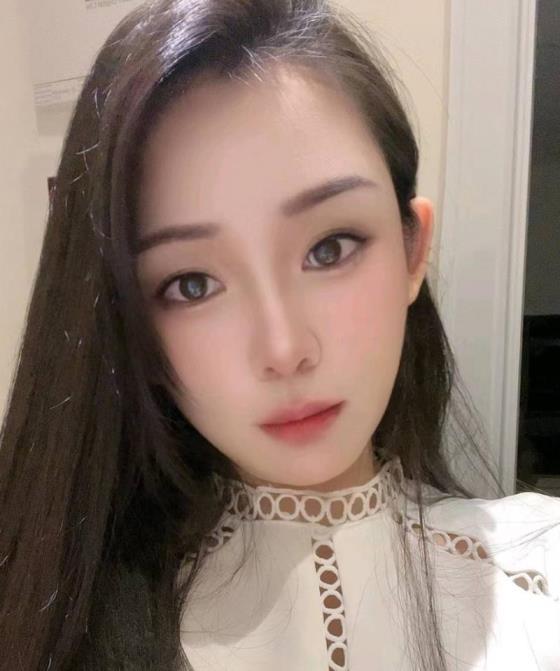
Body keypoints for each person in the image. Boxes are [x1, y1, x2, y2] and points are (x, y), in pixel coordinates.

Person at [0, 0, 559, 669]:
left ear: (414, 249)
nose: (284, 349)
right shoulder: (53, 615)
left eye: (330, 248)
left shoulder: (541, 579)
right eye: (192, 284)